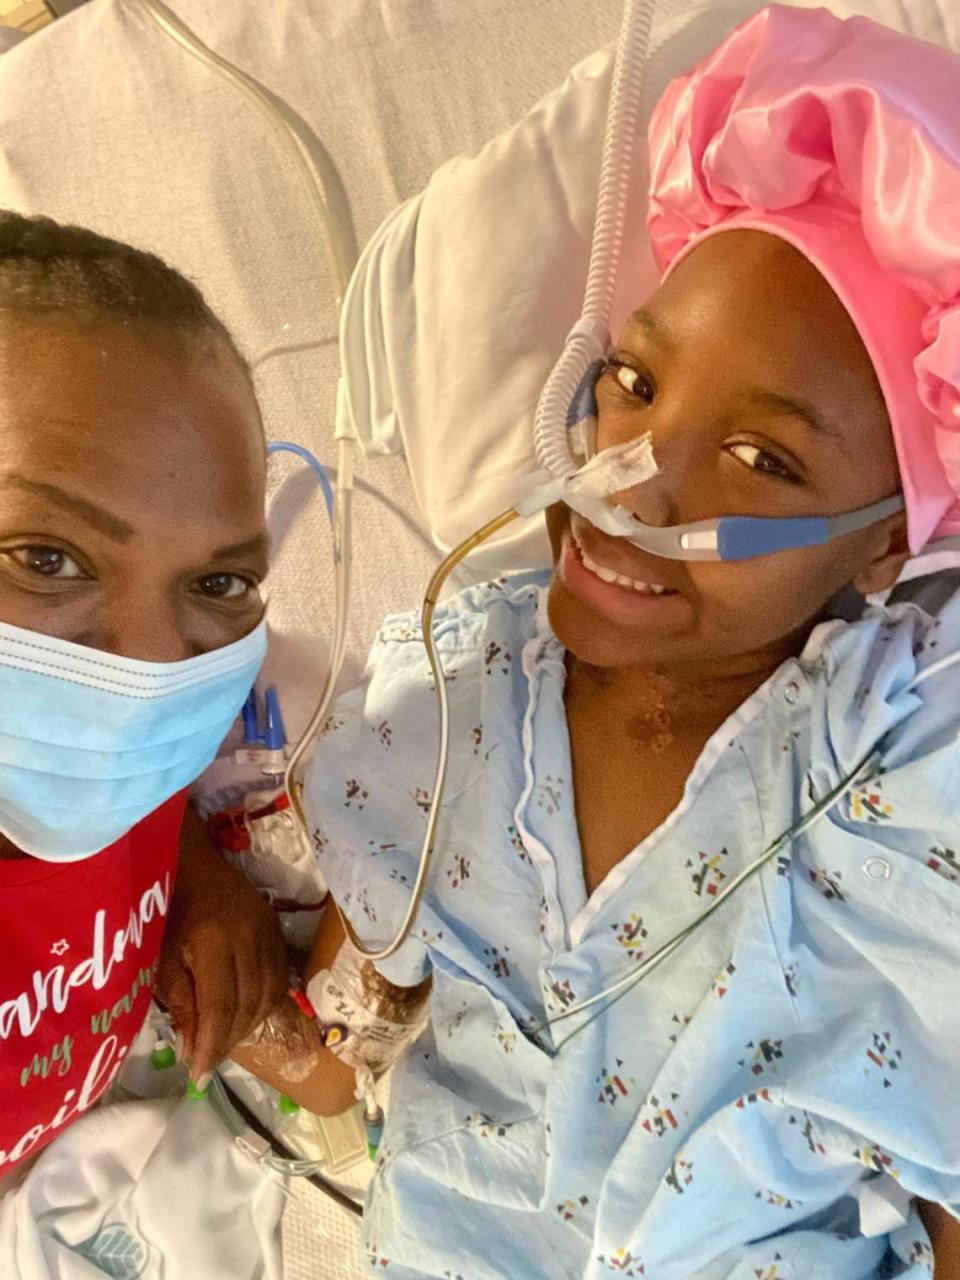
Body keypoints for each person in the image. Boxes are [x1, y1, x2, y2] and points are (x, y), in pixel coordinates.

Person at [240, 6, 960, 1276]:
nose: (632, 477)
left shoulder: (899, 768)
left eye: (760, 457)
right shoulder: (447, 706)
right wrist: (169, 905)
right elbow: (333, 1059)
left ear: (885, 542)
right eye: (634, 380)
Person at [0, 211, 287, 1191]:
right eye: (47, 558)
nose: (150, 671)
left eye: (217, 586)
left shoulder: (107, 757)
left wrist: (193, 872)